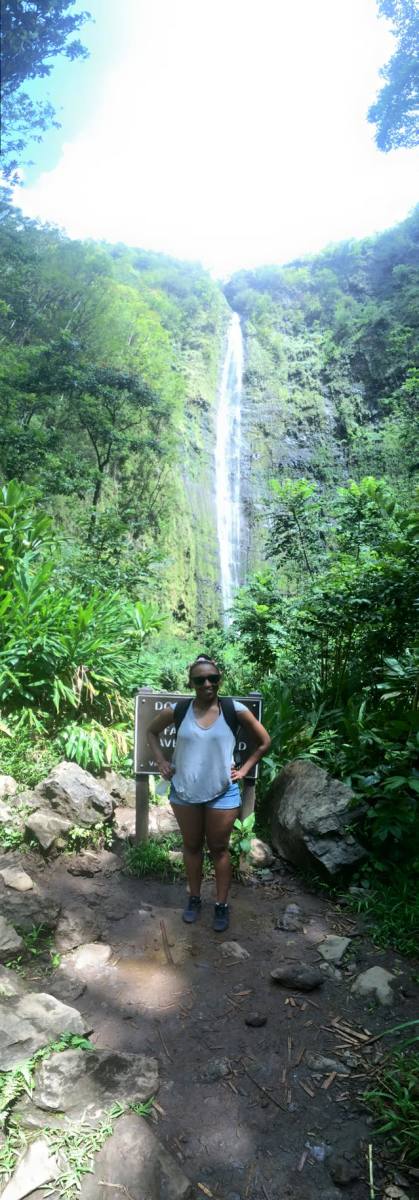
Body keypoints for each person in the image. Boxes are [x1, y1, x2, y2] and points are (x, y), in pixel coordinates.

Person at [147, 654, 271, 932]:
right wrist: (161, 761)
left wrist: (245, 769)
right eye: (200, 679)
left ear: (219, 680)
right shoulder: (178, 711)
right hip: (184, 791)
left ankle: (221, 905)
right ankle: (194, 898)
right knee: (191, 847)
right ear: (191, 683)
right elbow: (151, 732)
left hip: (222, 793)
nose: (207, 683)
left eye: (213, 678)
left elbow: (264, 742)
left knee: (218, 849)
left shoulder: (234, 709)